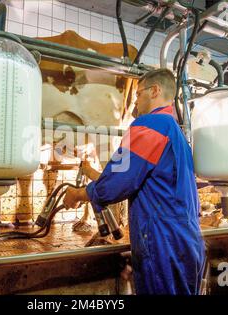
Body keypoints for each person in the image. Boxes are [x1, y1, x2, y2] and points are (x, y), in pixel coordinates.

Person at [63, 69, 206, 295]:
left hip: (162, 242)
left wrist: (79, 194)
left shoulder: (149, 125)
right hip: (188, 240)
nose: (134, 104)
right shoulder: (176, 134)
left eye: (138, 94)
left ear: (155, 91)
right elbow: (134, 179)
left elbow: (115, 185)